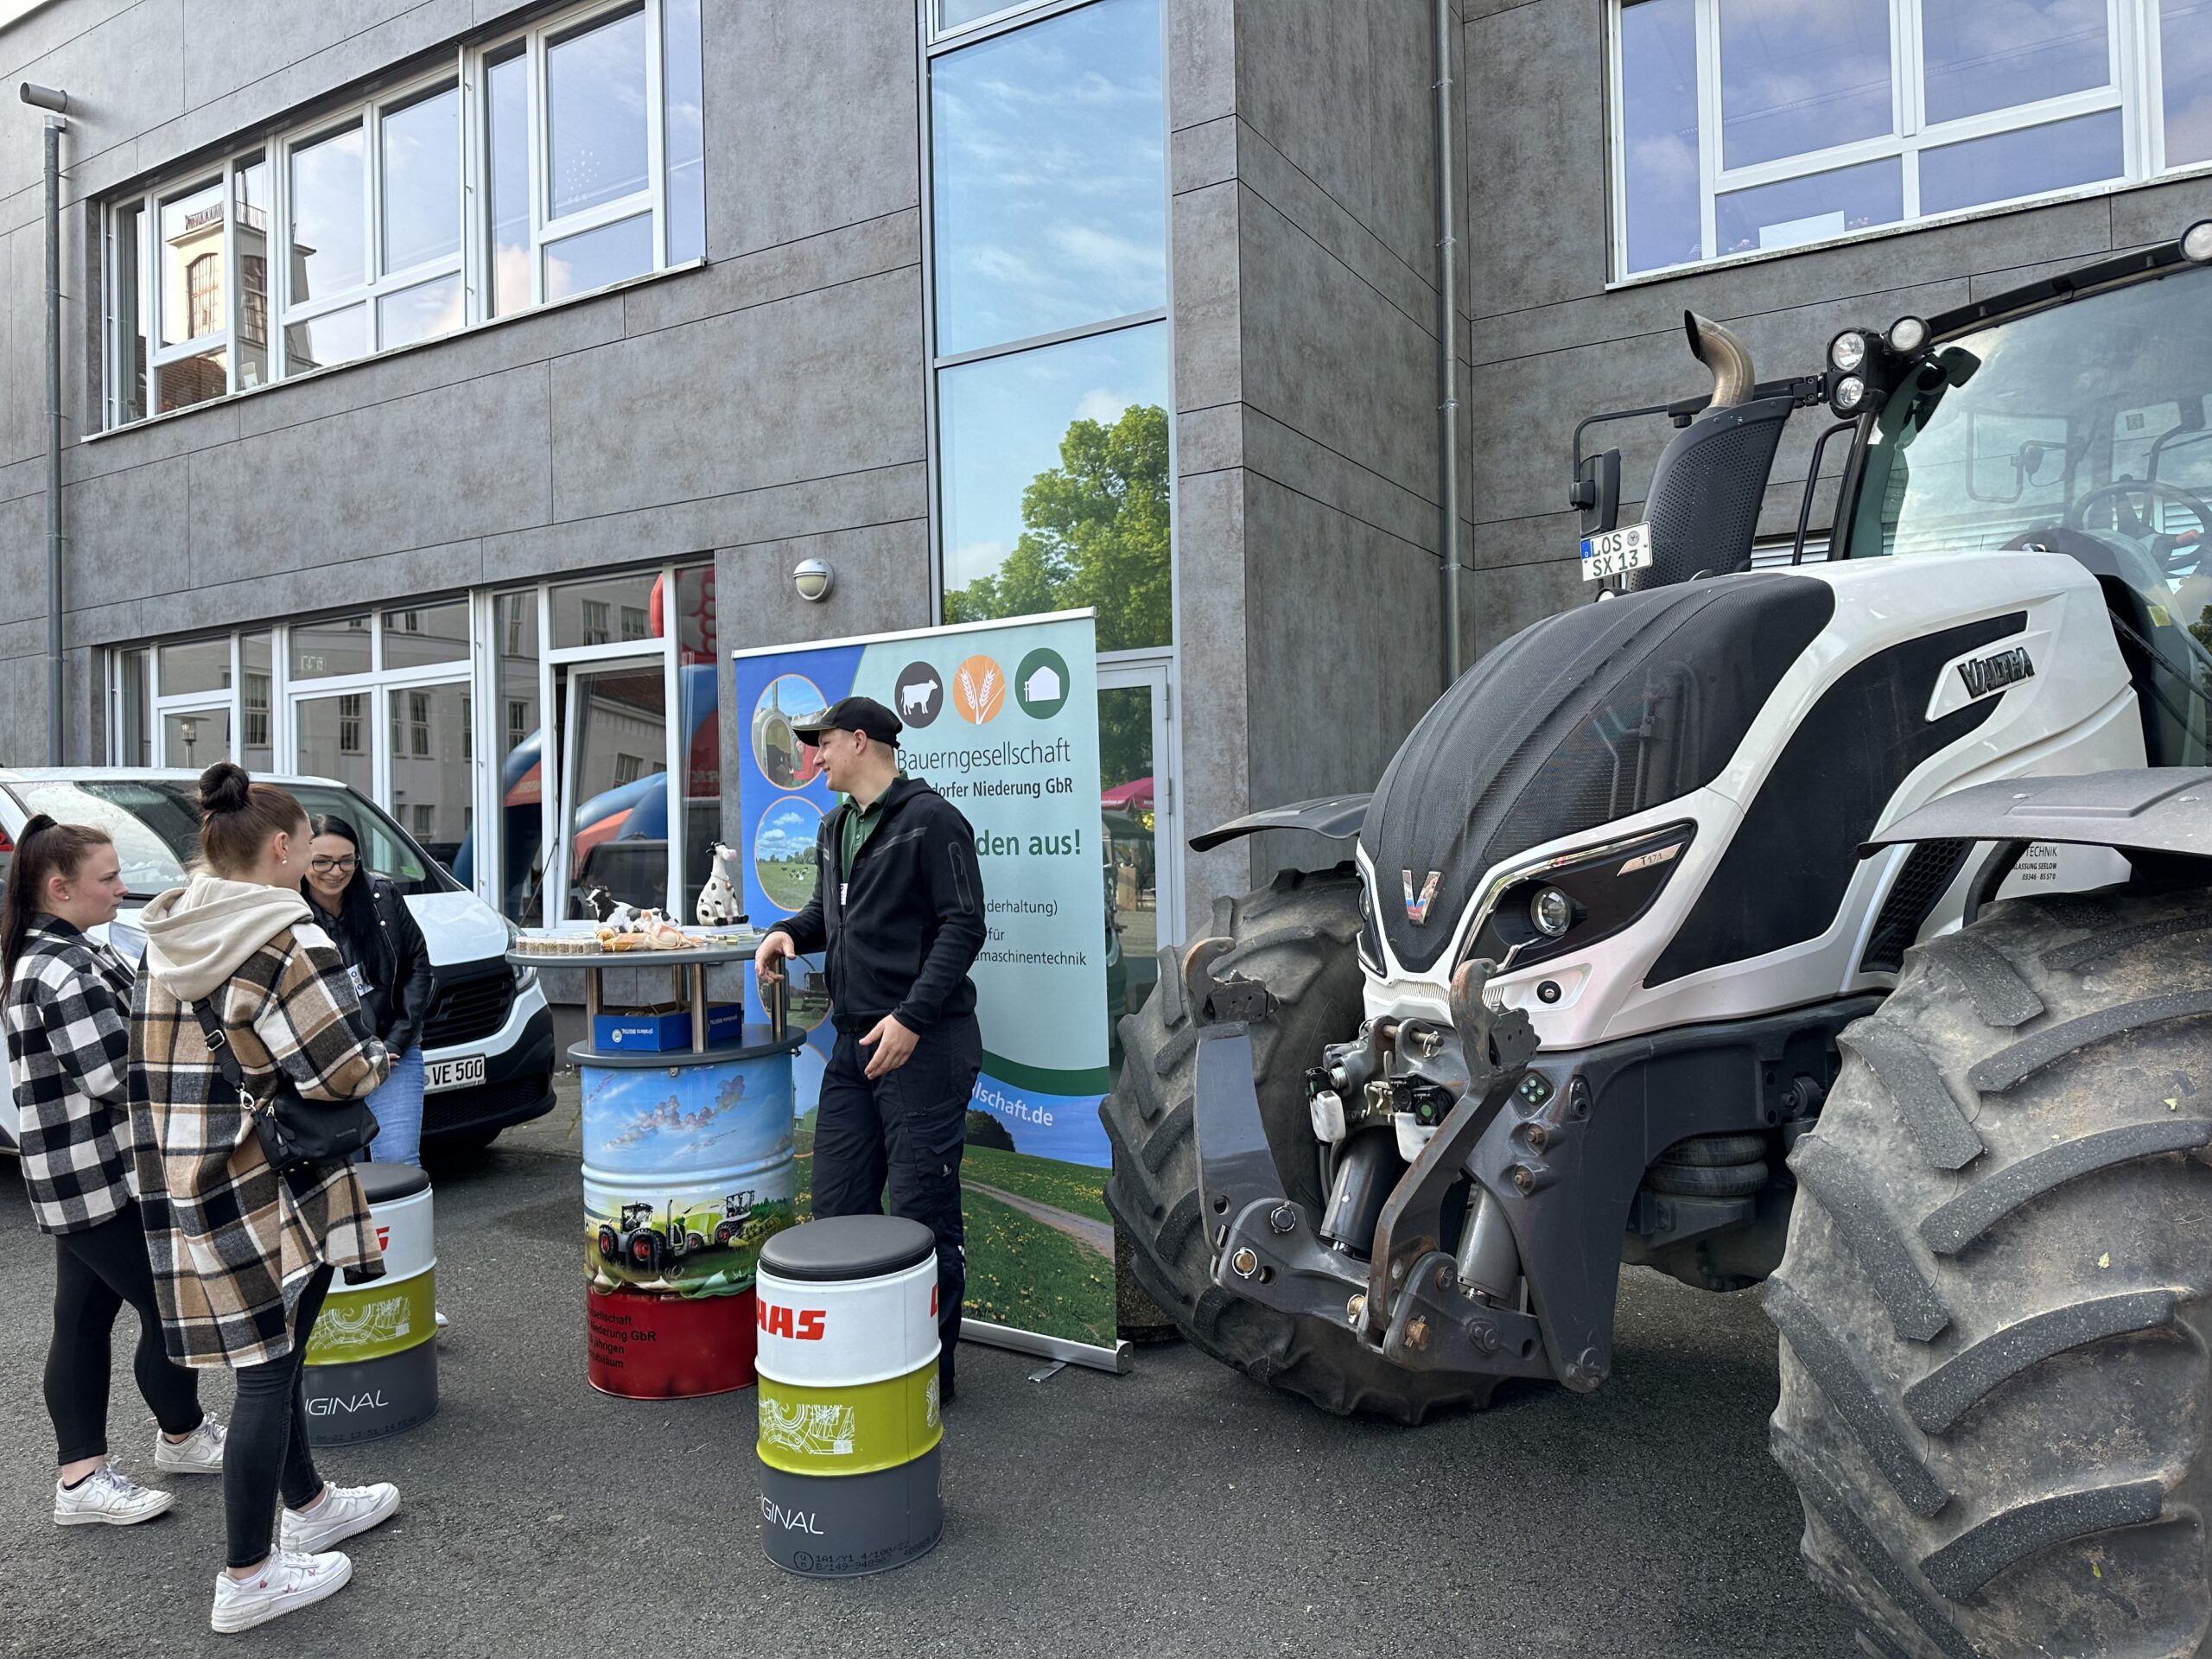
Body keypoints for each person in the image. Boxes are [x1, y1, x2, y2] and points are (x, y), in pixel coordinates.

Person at [130, 763, 401, 1634]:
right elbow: (340, 1070)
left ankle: (311, 1503)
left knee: (271, 1354)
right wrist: (384, 1058)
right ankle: (247, 1575)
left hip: (191, 1170)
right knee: (267, 1370)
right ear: (282, 848)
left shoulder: (166, 931)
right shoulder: (289, 938)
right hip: (276, 1175)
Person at [753, 696, 986, 1402]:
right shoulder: (834, 827)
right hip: (853, 1051)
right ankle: (860, 1363)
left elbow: (964, 926)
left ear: (860, 741)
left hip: (925, 1047)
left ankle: (927, 1380)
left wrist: (913, 1017)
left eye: (821, 743)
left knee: (922, 1221)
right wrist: (790, 930)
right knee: (839, 1209)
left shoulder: (931, 821)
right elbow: (833, 913)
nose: (812, 757)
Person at [4, 816, 226, 1528]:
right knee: (171, 1309)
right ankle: (170, 1440)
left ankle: (99, 1468)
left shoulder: (65, 952)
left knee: (84, 1318)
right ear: (60, 887)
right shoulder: (59, 966)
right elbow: (114, 1073)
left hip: (85, 1176)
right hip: (98, 1178)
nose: (122, 889)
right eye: (108, 878)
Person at [300, 814, 432, 1166]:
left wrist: (394, 1043)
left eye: (347, 860)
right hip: (329, 1065)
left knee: (399, 1163)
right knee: (344, 1171)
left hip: (393, 1054)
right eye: (322, 861)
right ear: (302, 860)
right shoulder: (291, 914)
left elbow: (418, 966)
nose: (336, 871)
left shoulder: (382, 897)